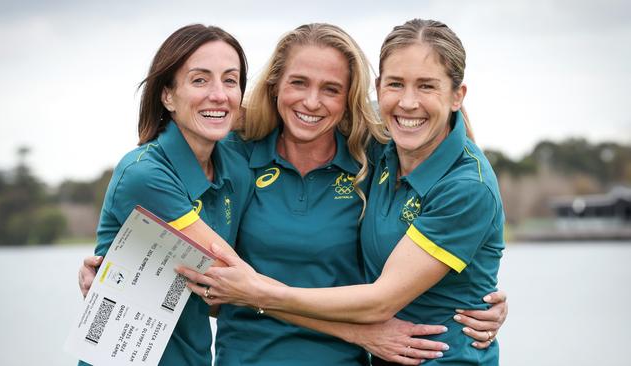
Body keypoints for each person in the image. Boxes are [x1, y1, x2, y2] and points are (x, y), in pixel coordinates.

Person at [81, 22, 507, 365]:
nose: (312, 101)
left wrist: (477, 295)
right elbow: (224, 287)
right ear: (275, 87)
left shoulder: (373, 155)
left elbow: (432, 132)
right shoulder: (235, 156)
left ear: (350, 97)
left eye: (331, 89)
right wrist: (114, 270)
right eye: (298, 83)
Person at [78, 24, 253, 366]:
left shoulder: (234, 165)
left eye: (230, 80)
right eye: (200, 80)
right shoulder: (145, 174)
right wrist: (353, 330)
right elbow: (240, 286)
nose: (218, 94)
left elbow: (217, 299)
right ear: (167, 95)